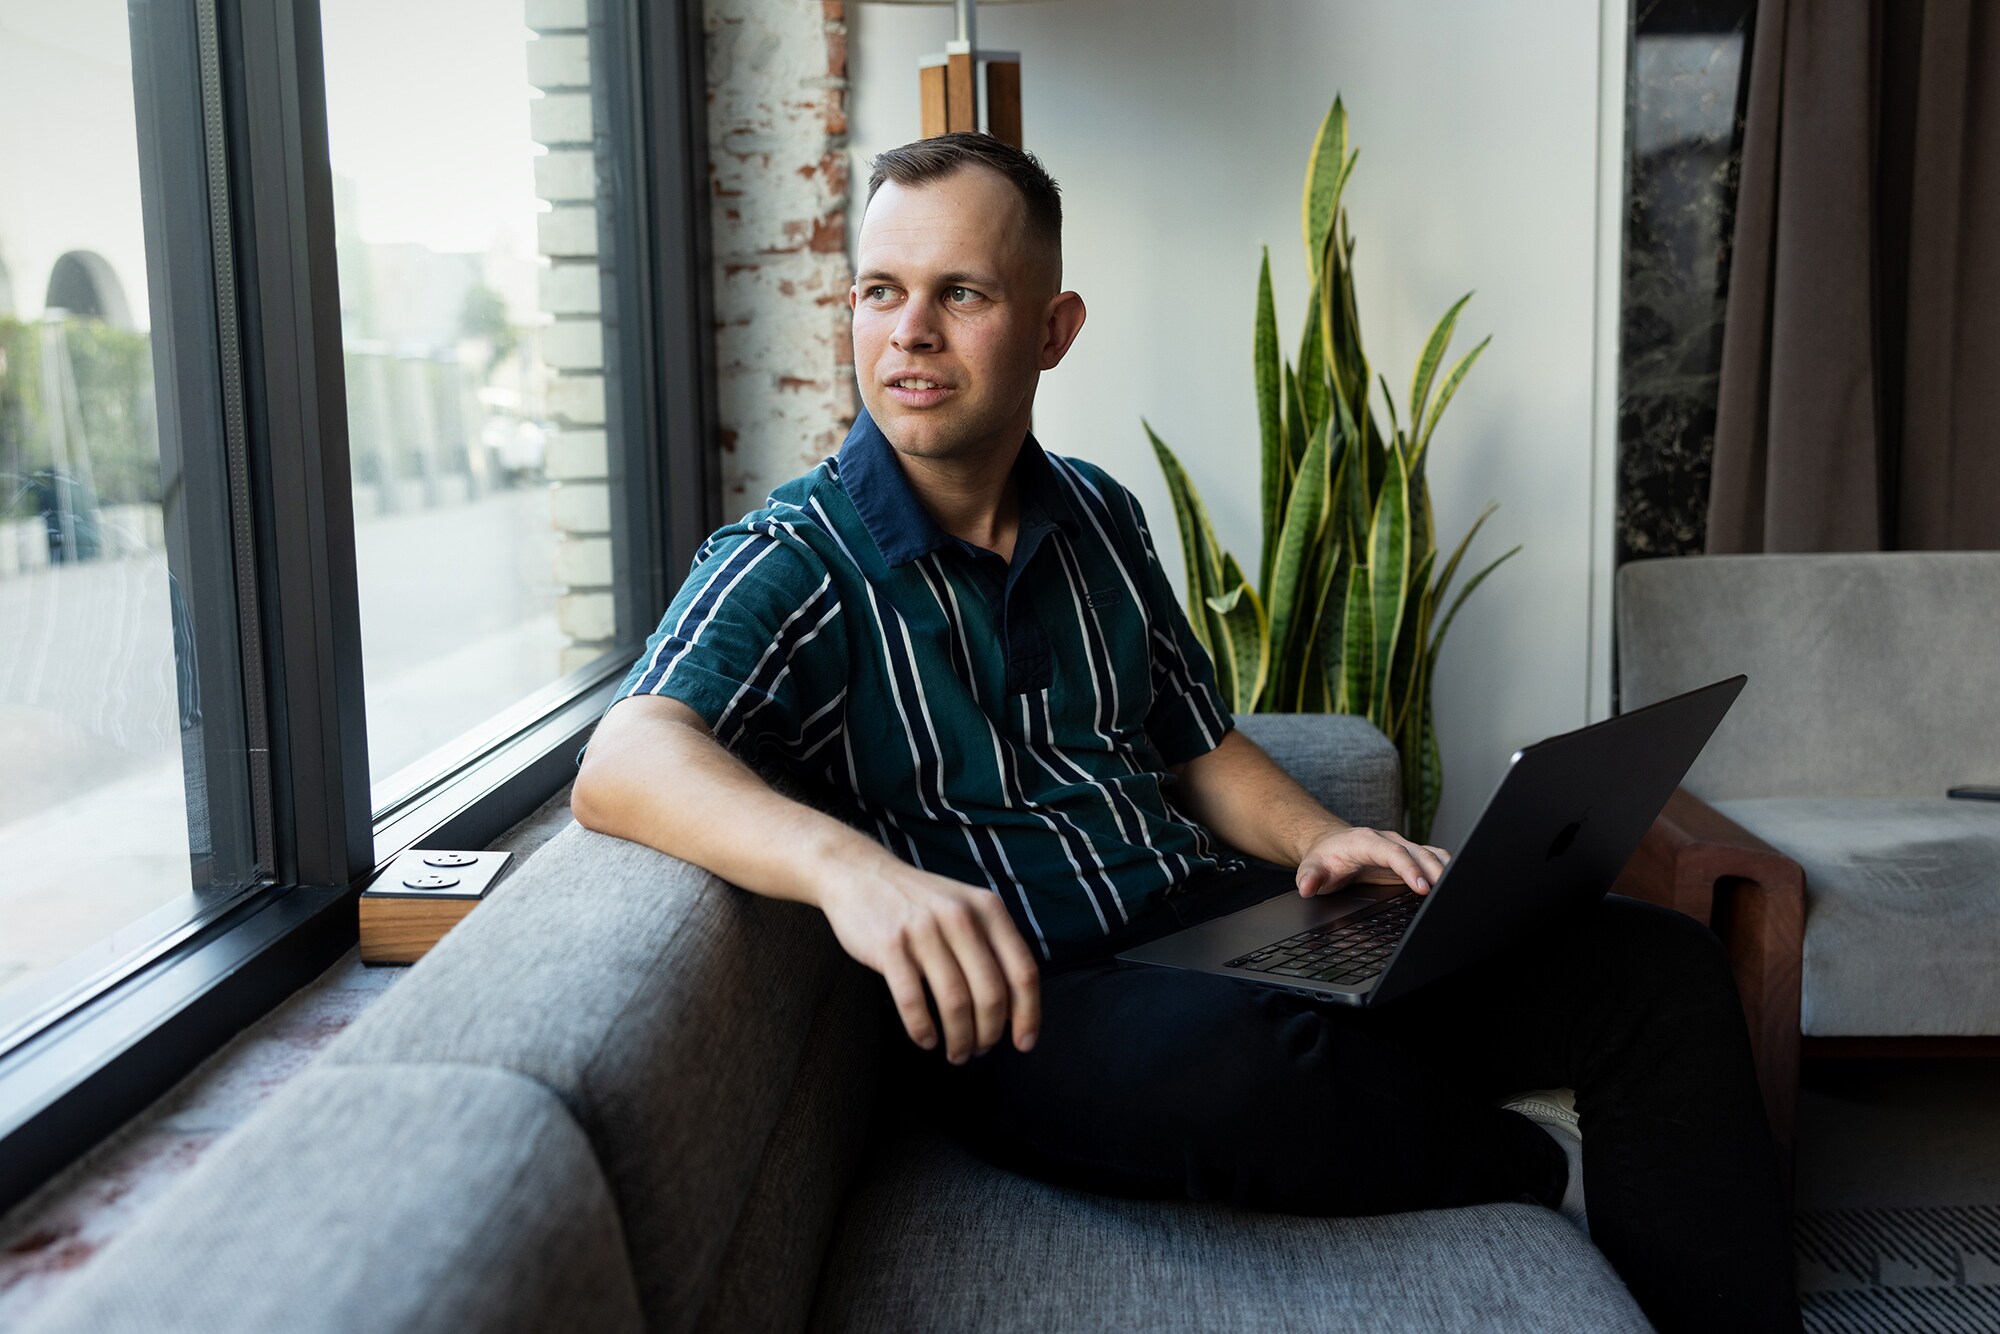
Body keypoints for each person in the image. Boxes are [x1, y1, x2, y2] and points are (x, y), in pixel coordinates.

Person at [572, 132, 1799, 1333]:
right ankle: (1542, 1166)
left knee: (1651, 963)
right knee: (1242, 1066)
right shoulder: (795, 555)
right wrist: (854, 873)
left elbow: (1197, 744)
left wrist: (1329, 838)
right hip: (1038, 995)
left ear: (1053, 328)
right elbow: (624, 757)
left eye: (962, 293)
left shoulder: (1097, 510)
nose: (910, 332)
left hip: (1217, 915)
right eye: (881, 291)